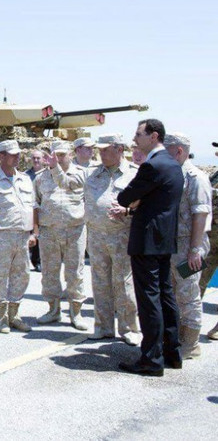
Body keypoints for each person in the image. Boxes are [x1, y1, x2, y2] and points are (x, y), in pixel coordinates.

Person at [116, 119, 184, 377]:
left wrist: (134, 203)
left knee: (149, 300)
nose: (135, 138)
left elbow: (124, 197)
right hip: (164, 240)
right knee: (165, 296)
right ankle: (171, 352)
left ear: (153, 136)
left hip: (147, 242)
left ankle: (151, 360)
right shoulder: (173, 165)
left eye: (138, 134)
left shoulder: (152, 165)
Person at [84, 134, 141, 345]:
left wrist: (127, 210)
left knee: (124, 283)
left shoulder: (134, 174)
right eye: (100, 149)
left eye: (106, 149)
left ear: (119, 149)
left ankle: (129, 328)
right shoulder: (92, 173)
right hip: (96, 234)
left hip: (121, 236)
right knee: (100, 283)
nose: (101, 153)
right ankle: (103, 327)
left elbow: (143, 203)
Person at [0, 140, 38, 334]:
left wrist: (33, 232)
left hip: (22, 237)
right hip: (1, 236)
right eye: (12, 154)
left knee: (22, 276)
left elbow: (33, 207)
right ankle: (2, 317)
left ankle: (15, 314)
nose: (17, 157)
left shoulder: (26, 179)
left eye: (18, 154)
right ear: (1, 156)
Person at [163, 132, 211, 359]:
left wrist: (195, 250)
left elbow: (201, 215)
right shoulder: (176, 174)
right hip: (173, 245)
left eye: (167, 150)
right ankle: (176, 339)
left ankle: (191, 344)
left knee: (189, 295)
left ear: (178, 151)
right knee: (173, 294)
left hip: (188, 248)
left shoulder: (196, 178)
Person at [34, 141, 88, 330]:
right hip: (49, 231)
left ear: (71, 155)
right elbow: (36, 203)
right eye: (55, 155)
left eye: (62, 155)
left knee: (75, 273)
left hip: (75, 230)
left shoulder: (81, 174)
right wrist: (35, 230)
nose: (58, 158)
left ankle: (76, 313)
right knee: (49, 272)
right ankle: (53, 310)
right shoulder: (41, 178)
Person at [26, 150, 45, 272]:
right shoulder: (25, 175)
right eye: (34, 158)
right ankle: (27, 261)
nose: (36, 160)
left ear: (43, 159)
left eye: (38, 158)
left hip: (43, 209)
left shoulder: (48, 174)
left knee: (40, 236)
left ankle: (38, 261)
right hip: (29, 209)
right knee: (28, 236)